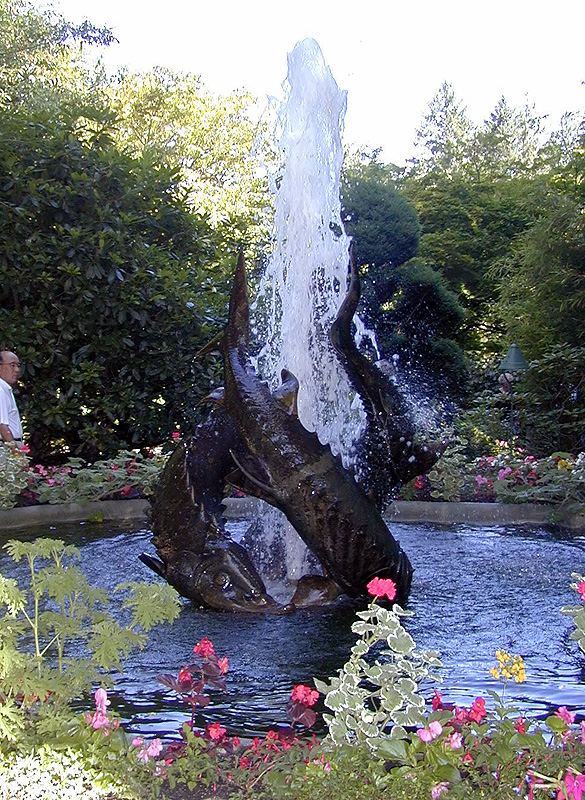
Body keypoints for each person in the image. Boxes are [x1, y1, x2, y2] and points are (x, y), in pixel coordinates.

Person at [0, 350, 24, 446]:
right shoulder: (0, 390)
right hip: (7, 447)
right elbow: (2, 426)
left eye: (18, 365)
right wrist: (16, 454)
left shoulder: (5, 389)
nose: (17, 370)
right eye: (12, 365)